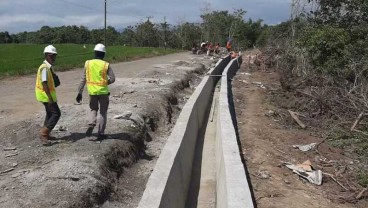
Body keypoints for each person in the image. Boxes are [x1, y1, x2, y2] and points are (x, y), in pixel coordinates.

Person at [76, 43, 115, 141]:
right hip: (103, 92)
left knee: (93, 109)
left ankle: (91, 123)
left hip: (92, 92)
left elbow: (83, 79)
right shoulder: (106, 65)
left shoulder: (87, 63)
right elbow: (113, 78)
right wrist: (105, 83)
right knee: (103, 113)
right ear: (103, 54)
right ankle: (101, 133)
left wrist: (79, 93)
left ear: (95, 52)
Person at [35, 45, 61, 145]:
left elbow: (54, 82)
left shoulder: (49, 67)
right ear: (46, 56)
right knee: (56, 113)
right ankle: (43, 134)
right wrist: (50, 98)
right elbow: (44, 83)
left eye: (54, 56)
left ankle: (46, 133)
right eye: (51, 56)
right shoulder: (45, 68)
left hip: (46, 96)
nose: (53, 58)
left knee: (50, 114)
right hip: (46, 96)